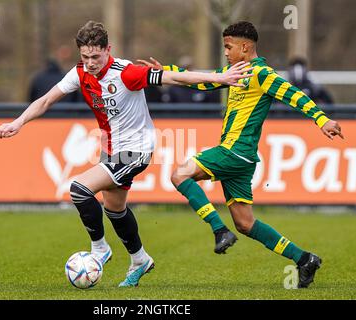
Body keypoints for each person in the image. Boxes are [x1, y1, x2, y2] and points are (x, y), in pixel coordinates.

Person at [0, 21, 252, 287]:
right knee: (114, 208)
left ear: (108, 49)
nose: (91, 62)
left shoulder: (126, 73)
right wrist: (18, 122)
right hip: (111, 150)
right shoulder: (79, 73)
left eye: (96, 56)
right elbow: (46, 100)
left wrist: (219, 78)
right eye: (85, 57)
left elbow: (174, 77)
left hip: (137, 150)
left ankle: (99, 248)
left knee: (79, 190)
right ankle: (140, 259)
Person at [139, 21, 344, 288]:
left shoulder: (263, 74)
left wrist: (321, 119)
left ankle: (218, 230)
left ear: (245, 46)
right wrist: (166, 71)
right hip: (242, 158)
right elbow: (204, 82)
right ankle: (304, 258)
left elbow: (293, 94)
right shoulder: (235, 71)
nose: (225, 52)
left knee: (180, 174)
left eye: (228, 46)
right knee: (245, 224)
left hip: (235, 151)